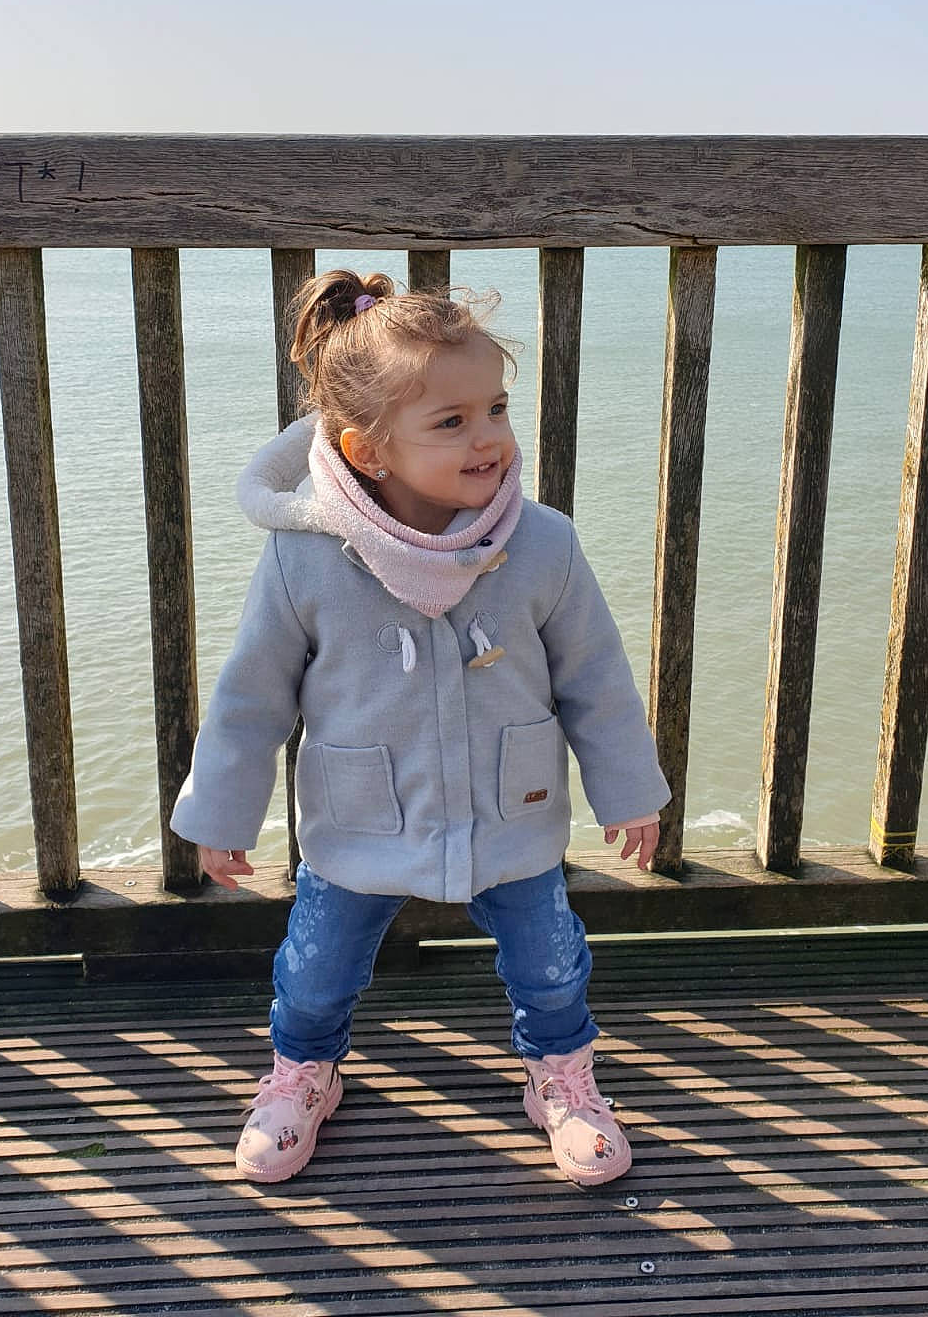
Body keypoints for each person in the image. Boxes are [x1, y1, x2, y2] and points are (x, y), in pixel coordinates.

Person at [170, 268, 670, 1188]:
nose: (487, 438)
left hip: (510, 811)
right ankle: (302, 1075)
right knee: (316, 969)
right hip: (359, 818)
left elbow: (596, 680)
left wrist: (630, 791)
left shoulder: (545, 543)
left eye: (496, 409)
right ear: (367, 450)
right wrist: (219, 811)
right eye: (451, 421)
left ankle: (561, 1076)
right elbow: (252, 698)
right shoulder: (305, 559)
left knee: (552, 964)